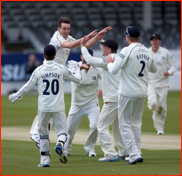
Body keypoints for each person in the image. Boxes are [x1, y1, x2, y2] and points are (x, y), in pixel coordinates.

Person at [29, 16, 112, 147]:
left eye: (68, 28)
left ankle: (38, 132)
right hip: (49, 73)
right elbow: (70, 45)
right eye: (64, 29)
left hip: (58, 74)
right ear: (59, 29)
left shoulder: (69, 37)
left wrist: (96, 37)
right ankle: (36, 133)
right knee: (50, 104)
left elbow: (83, 45)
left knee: (52, 105)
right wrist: (84, 38)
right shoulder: (57, 38)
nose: (66, 31)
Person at [8, 45, 84, 167]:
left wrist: (15, 96)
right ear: (55, 55)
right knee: (63, 133)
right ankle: (60, 143)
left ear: (43, 55)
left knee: (43, 134)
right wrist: (76, 68)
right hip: (58, 107)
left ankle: (44, 161)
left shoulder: (38, 70)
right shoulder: (61, 68)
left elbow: (28, 86)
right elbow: (78, 79)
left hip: (43, 108)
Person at [106, 26, 157, 164]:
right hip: (142, 92)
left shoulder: (127, 50)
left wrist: (110, 63)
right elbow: (154, 68)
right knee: (135, 123)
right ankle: (137, 152)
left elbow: (114, 69)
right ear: (139, 38)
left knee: (124, 125)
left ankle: (134, 154)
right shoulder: (147, 51)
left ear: (128, 37)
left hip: (128, 92)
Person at [81, 36, 128, 162]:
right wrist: (104, 89)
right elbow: (113, 78)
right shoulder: (120, 59)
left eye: (104, 46)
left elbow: (89, 60)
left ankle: (110, 153)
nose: (102, 47)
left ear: (109, 49)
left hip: (112, 100)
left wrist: (83, 47)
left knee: (101, 127)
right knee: (117, 127)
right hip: (121, 97)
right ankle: (124, 151)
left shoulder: (108, 59)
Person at [64, 49, 102, 157]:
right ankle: (67, 149)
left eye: (89, 57)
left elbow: (107, 79)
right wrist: (79, 68)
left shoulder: (97, 68)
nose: (86, 59)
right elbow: (68, 74)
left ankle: (90, 147)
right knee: (70, 129)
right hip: (77, 105)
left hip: (92, 103)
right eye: (85, 57)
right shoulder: (74, 66)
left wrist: (104, 89)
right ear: (81, 57)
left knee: (95, 126)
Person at [147, 34, 177, 135]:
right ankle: (154, 109)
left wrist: (169, 72)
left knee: (161, 107)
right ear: (150, 42)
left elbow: (174, 65)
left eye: (156, 40)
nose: (154, 42)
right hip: (151, 83)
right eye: (153, 40)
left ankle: (160, 128)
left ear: (160, 41)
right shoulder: (147, 52)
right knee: (153, 104)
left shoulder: (165, 52)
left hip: (163, 83)